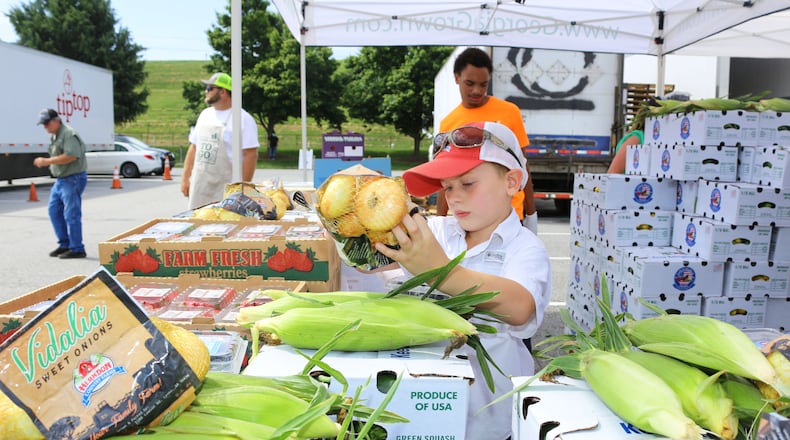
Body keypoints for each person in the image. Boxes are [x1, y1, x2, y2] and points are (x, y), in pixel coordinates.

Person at [375, 121, 551, 440]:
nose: (454, 198)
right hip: (426, 413)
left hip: (493, 423)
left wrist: (443, 272)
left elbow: (520, 307)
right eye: (448, 187)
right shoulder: (438, 232)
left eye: (467, 183)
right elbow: (371, 259)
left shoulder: (525, 247)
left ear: (512, 182)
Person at [436, 47, 538, 234]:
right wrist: (440, 221)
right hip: (472, 217)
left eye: (483, 84)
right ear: (456, 77)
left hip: (510, 215)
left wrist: (531, 214)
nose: (477, 90)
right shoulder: (449, 123)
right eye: (470, 83)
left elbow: (523, 167)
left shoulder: (509, 112)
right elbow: (445, 178)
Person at [181, 72, 259, 209]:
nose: (206, 92)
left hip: (227, 190)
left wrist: (243, 188)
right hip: (200, 187)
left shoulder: (243, 119)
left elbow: (250, 154)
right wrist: (185, 179)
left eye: (210, 88)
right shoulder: (204, 115)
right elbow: (193, 148)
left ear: (223, 92)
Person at [33, 108, 88, 259]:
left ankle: (77, 248)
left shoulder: (68, 134)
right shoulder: (56, 135)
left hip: (73, 178)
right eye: (43, 124)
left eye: (47, 123)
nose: (45, 127)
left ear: (57, 120)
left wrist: (47, 161)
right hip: (62, 179)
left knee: (71, 214)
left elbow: (72, 155)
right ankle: (65, 244)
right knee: (54, 211)